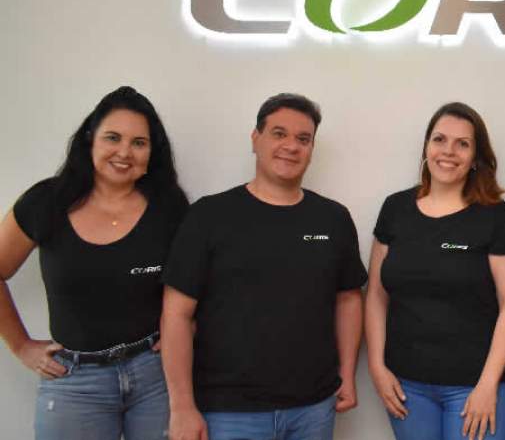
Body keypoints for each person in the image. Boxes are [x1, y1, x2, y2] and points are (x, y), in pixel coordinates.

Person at [160, 93, 367, 440]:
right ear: (255, 139)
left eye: (303, 139)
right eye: (279, 133)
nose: (291, 146)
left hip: (313, 407)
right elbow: (176, 314)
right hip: (228, 411)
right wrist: (181, 406)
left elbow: (348, 299)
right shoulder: (209, 216)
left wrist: (346, 373)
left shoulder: (333, 218)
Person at [0, 86, 189, 440]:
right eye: (113, 138)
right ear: (90, 139)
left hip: (155, 376)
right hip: (74, 381)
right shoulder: (46, 201)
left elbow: (196, 279)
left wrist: (189, 329)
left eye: (139, 143)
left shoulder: (170, 207)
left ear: (152, 152)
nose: (124, 152)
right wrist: (21, 346)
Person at [365, 102, 505, 440]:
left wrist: (488, 385)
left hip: (478, 386)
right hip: (407, 386)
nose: (448, 151)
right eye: (440, 139)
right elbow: (376, 295)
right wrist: (376, 367)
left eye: (462, 144)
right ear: (427, 146)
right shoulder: (395, 209)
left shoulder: (494, 216)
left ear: (476, 157)